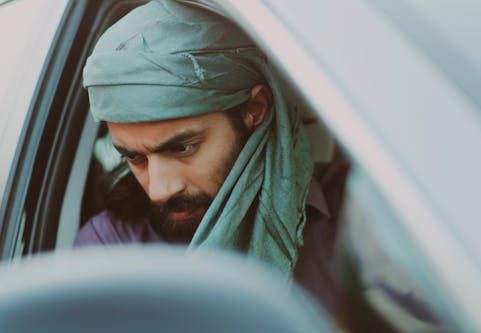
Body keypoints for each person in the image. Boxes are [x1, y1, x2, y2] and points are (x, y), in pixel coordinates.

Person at [75, 0, 349, 313]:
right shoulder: (113, 251)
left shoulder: (358, 215)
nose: (159, 190)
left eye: (183, 147)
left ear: (254, 110)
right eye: (135, 158)